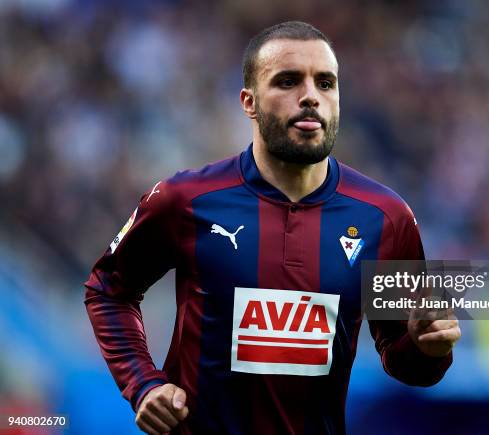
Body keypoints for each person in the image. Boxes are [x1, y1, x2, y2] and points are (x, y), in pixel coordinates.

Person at [84, 21, 461, 435]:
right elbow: (108, 290)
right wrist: (143, 385)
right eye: (287, 81)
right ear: (249, 102)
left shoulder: (385, 218)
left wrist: (431, 349)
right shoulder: (185, 199)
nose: (311, 97)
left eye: (325, 83)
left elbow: (406, 362)